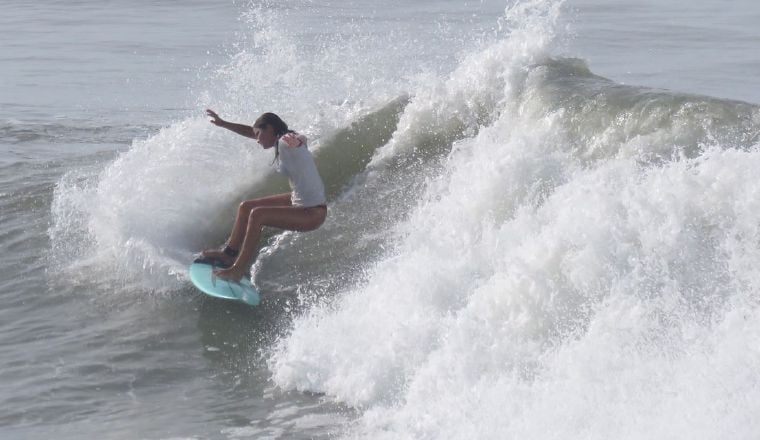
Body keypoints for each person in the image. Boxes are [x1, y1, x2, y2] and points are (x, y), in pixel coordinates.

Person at [197, 109, 327, 282]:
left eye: (259, 134)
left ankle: (237, 270)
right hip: (299, 201)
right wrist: (223, 123)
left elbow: (301, 138)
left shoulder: (286, 140)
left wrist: (298, 142)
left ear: (270, 129)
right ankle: (228, 254)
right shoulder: (278, 138)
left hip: (313, 213)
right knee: (246, 207)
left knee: (258, 214)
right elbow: (250, 132)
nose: (257, 140)